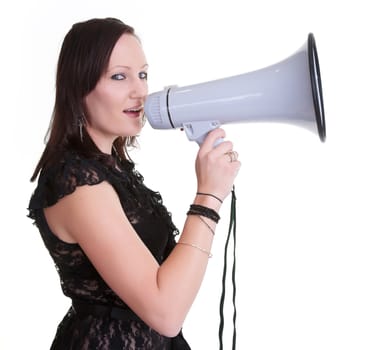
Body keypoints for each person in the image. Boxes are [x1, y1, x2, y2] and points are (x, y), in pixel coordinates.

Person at [28, 17, 240, 350]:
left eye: (142, 74)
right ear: (79, 87)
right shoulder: (78, 185)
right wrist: (209, 196)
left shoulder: (113, 171)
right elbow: (166, 313)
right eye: (119, 76)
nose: (140, 91)